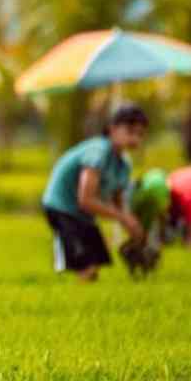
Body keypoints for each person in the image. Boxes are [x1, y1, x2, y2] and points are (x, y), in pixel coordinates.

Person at [41, 105, 148, 281]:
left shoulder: (124, 164)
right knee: (86, 267)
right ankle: (63, 253)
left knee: (97, 263)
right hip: (61, 207)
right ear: (112, 129)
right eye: (130, 131)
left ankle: (69, 257)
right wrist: (122, 218)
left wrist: (131, 226)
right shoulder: (98, 152)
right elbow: (85, 199)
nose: (135, 138)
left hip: (83, 214)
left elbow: (117, 201)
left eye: (140, 134)